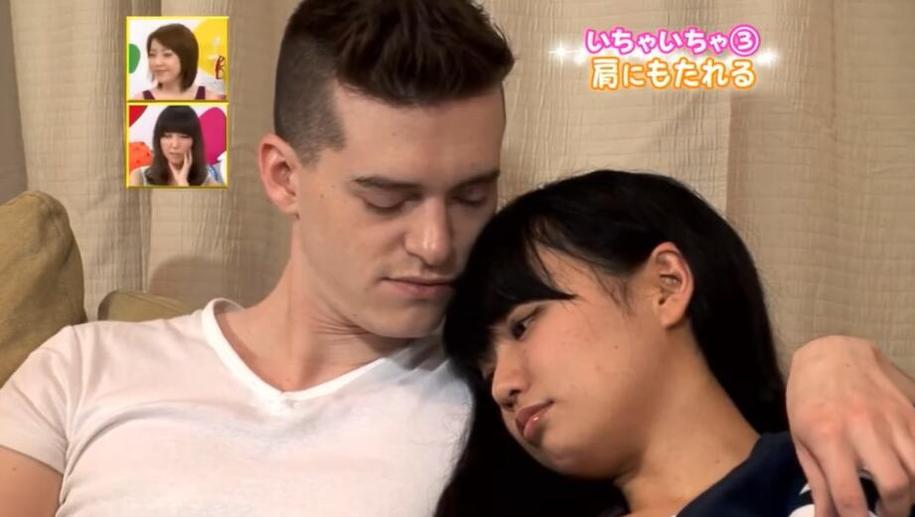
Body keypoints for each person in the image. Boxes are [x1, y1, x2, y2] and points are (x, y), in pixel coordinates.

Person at [1, 1, 914, 516]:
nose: (438, 244)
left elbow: (699, 439)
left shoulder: (512, 408)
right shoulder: (85, 368)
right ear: (282, 175)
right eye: (386, 199)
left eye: (473, 194)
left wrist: (832, 361)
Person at [435, 169, 915, 516]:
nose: (502, 386)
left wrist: (834, 360)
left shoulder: (850, 470)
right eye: (487, 371)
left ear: (666, 285)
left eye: (523, 325)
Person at [129, 105, 224, 186]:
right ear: (158, 140)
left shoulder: (205, 180)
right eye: (167, 136)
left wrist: (183, 183)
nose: (175, 145)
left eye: (184, 136)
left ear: (194, 141)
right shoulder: (139, 177)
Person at [131, 23, 225, 101]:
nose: (157, 62)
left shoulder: (210, 98)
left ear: (186, 57)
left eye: (167, 54)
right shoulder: (139, 100)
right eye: (152, 55)